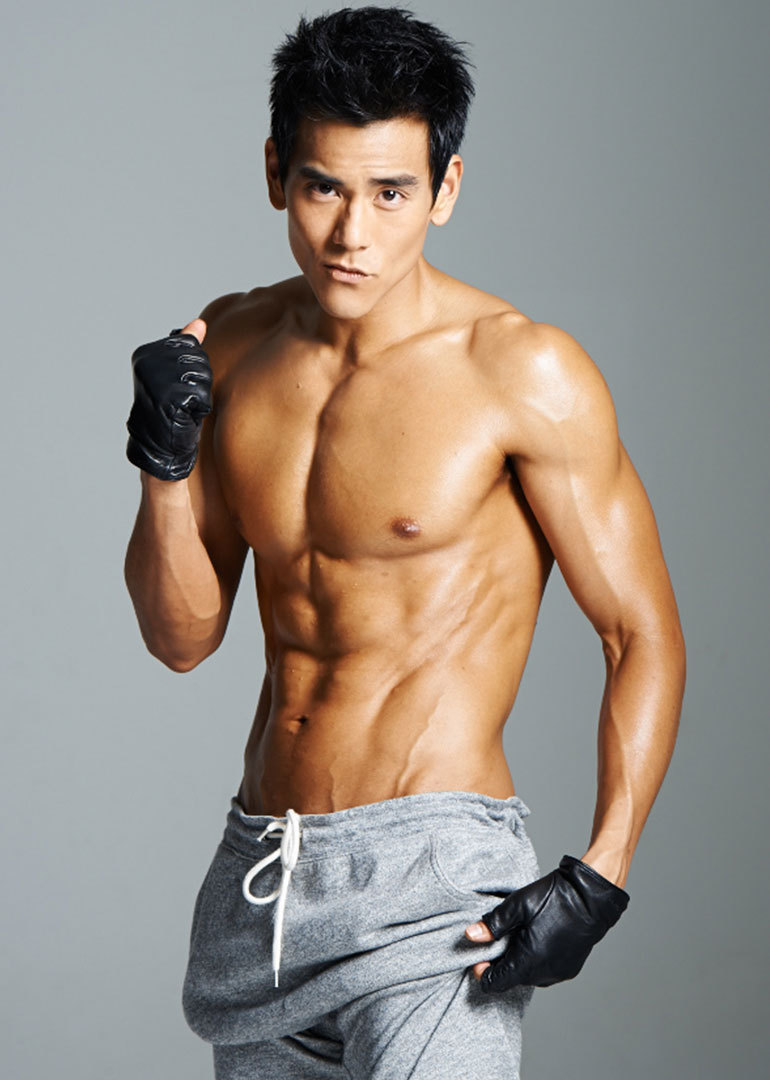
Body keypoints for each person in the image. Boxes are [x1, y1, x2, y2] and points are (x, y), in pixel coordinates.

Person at [123, 6, 686, 1078]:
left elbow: (640, 633)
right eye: (323, 188)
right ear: (276, 172)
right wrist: (162, 463)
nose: (353, 234)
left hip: (434, 889)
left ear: (445, 189)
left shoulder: (519, 371)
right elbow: (181, 639)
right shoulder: (230, 345)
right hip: (262, 880)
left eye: (390, 193)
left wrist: (604, 869)